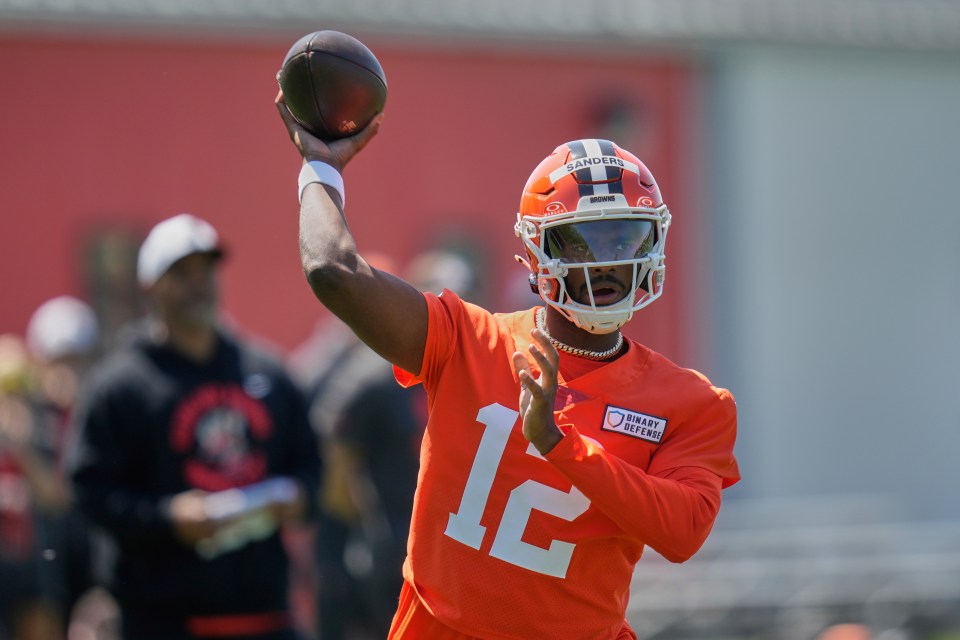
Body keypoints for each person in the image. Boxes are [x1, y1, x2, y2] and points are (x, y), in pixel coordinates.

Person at [277, 93, 740, 640]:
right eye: (583, 240)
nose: (610, 258)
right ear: (535, 251)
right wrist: (320, 166)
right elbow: (334, 270)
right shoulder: (468, 339)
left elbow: (682, 532)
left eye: (625, 235)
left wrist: (560, 445)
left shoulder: (693, 403)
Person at [67, 213, 320, 640]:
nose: (198, 284)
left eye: (205, 271)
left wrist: (296, 499)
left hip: (266, 615)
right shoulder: (119, 387)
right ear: (150, 287)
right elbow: (89, 491)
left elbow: (310, 467)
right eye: (181, 274)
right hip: (162, 621)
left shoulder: (268, 372)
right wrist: (167, 517)